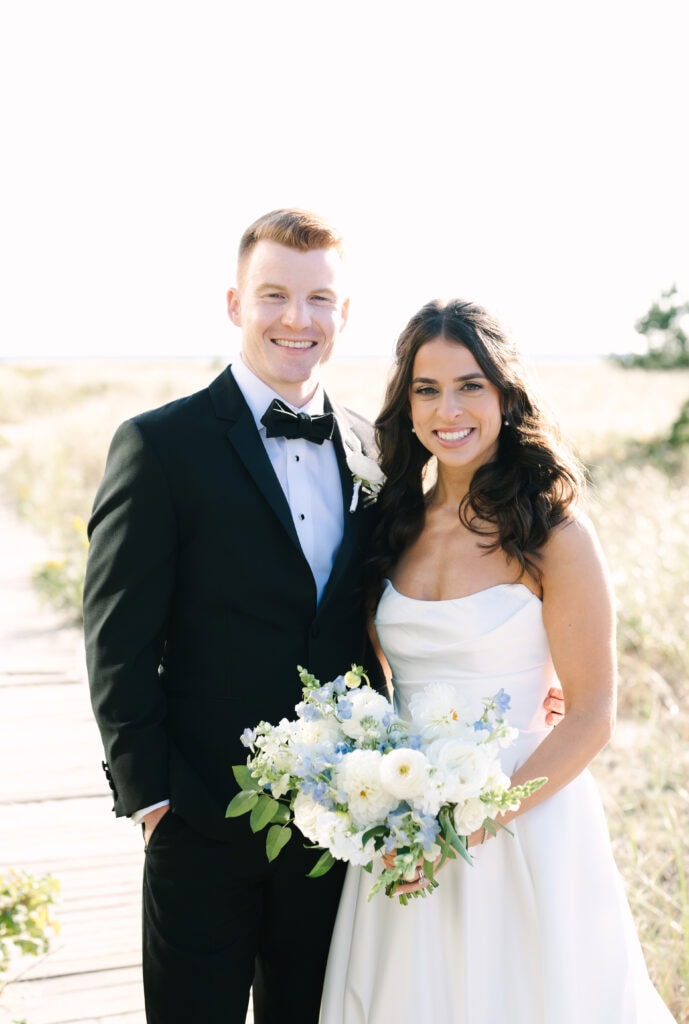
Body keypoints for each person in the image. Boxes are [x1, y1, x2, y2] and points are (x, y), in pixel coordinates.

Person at [83, 211, 564, 1024]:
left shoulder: (378, 451)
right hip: (201, 816)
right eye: (274, 295)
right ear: (235, 302)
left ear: (344, 316)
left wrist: (523, 673)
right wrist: (152, 800)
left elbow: (392, 606)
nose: (295, 319)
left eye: (318, 300)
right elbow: (115, 637)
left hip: (343, 824)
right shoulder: (160, 446)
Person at [319, 299, 674, 1023]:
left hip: (524, 824)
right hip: (407, 822)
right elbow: (380, 681)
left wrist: (477, 822)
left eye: (468, 385)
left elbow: (593, 713)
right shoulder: (390, 524)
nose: (447, 408)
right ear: (407, 405)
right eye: (426, 389)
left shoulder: (552, 530)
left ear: (505, 396)